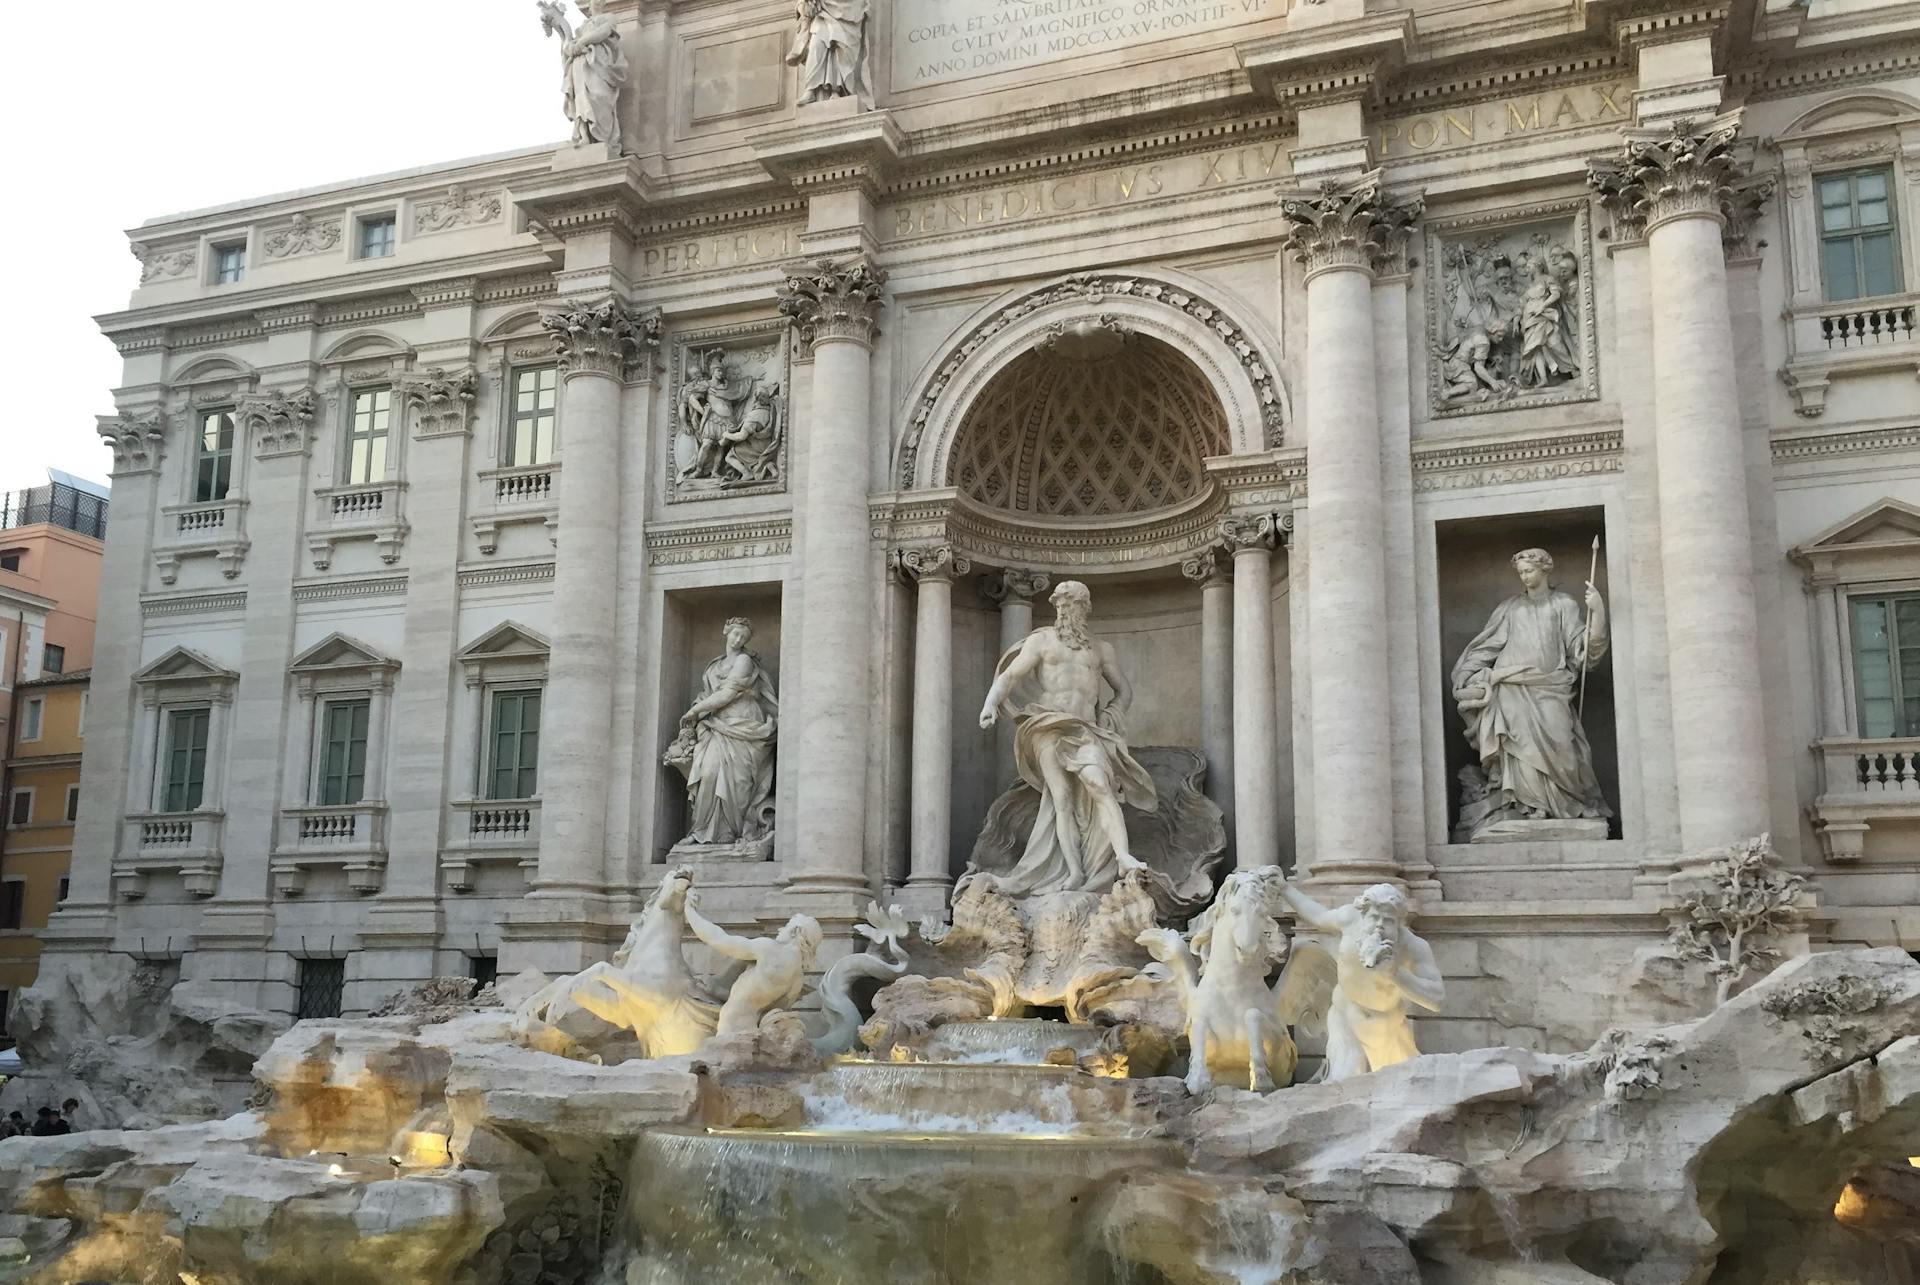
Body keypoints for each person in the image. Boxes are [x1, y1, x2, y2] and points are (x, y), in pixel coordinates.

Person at [975, 581, 1157, 897]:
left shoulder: (1101, 649)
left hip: (1085, 729)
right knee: (1061, 799)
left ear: (1084, 608)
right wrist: (990, 704)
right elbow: (1011, 676)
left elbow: (1123, 690)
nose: (1063, 611)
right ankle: (1074, 872)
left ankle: (1123, 857)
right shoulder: (1042, 641)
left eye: (1069, 605)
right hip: (1048, 725)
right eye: (1059, 605)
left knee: (1100, 785)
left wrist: (1111, 713)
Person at [1450, 548, 1611, 840]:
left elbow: (1584, 651)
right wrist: (1465, 673)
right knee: (1518, 747)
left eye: (1529, 571)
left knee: (1563, 747)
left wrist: (1597, 612)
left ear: (1545, 570)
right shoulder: (1510, 608)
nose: (1524, 576)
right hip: (1511, 688)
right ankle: (1525, 806)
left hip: (1551, 687)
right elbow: (1487, 647)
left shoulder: (1563, 604)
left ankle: (1563, 805)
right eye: (1521, 572)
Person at [1275, 880, 1445, 1080]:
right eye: (1374, 917)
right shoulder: (1349, 919)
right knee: (1344, 1079)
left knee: (1396, 1084)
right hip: (1344, 1016)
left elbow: (1437, 999)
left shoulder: (1413, 946)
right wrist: (1285, 888)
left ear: (1399, 923)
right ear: (1363, 915)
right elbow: (1318, 916)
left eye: (1388, 920)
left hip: (1386, 1028)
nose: (1379, 926)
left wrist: (1395, 974)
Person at [664, 617, 779, 846]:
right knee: (708, 773)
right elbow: (708, 695)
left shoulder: (744, 661)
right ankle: (700, 831)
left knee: (738, 781)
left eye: (743, 637)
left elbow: (727, 694)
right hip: (717, 725)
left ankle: (730, 833)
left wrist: (695, 711)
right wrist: (699, 710)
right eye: (736, 634)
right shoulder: (714, 666)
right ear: (726, 631)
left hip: (744, 724)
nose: (738, 639)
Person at [682, 891, 821, 1037]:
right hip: (751, 1031)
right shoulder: (797, 980)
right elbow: (758, 1002)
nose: (780, 930)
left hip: (731, 1029)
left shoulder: (771, 949)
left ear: (795, 931)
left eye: (786, 926)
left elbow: (718, 939)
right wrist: (716, 991)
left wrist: (690, 912)